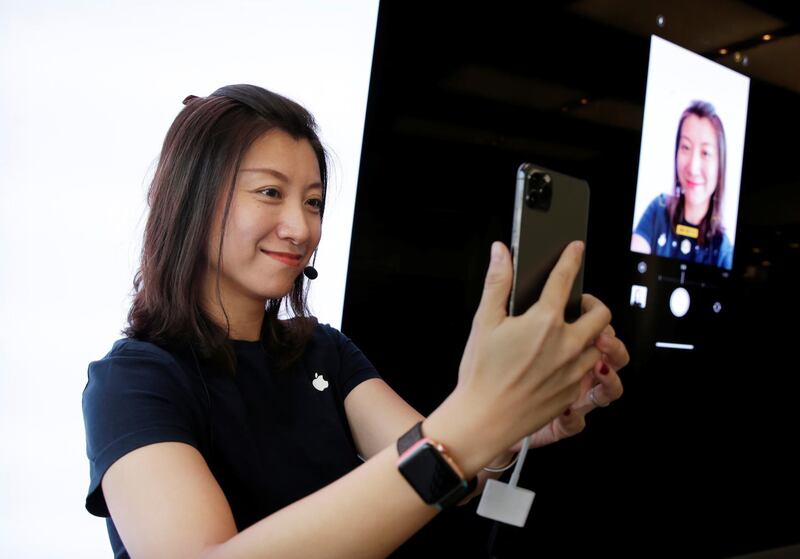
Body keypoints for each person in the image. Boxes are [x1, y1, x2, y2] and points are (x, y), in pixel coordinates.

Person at [82, 84, 629, 558]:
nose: (300, 227)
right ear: (192, 202)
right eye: (270, 193)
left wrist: (514, 427)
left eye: (314, 202)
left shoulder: (323, 352)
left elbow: (443, 476)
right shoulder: (134, 381)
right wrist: (478, 414)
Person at [631, 100, 733, 269]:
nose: (693, 167)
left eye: (705, 153)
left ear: (720, 165)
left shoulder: (723, 251)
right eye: (685, 147)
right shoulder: (658, 209)